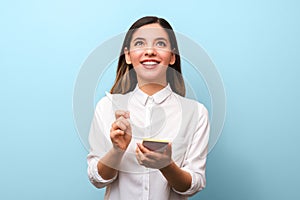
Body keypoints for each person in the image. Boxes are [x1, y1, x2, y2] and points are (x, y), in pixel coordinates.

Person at [87, 16, 210, 200]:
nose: (150, 51)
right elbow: (97, 179)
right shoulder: (107, 107)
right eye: (140, 43)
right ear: (128, 56)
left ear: (172, 57)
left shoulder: (197, 113)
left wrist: (167, 165)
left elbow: (194, 184)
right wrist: (117, 150)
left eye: (160, 43)